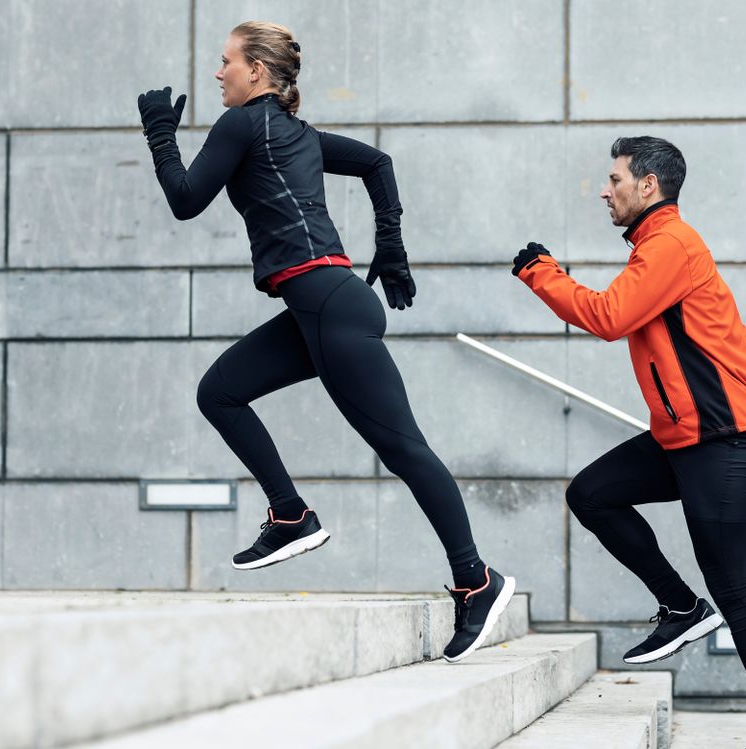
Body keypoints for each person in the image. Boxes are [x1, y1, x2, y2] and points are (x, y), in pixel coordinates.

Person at [137, 20, 513, 662]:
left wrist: (159, 135)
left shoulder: (244, 123)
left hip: (330, 308)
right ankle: (290, 516)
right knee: (220, 392)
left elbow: (184, 201)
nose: (217, 73)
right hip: (321, 309)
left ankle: (476, 580)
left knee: (406, 451)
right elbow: (377, 164)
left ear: (257, 71)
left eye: (226, 61)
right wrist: (389, 246)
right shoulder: (295, 134)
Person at [511, 137, 746, 749]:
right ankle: (680, 607)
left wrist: (540, 273)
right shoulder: (655, 246)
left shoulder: (671, 244)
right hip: (683, 437)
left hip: (723, 440)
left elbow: (608, 317)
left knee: (733, 584)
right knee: (593, 494)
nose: (606, 189)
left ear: (648, 185)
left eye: (615, 178)